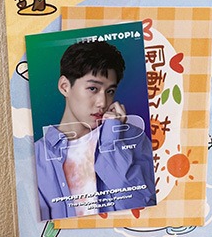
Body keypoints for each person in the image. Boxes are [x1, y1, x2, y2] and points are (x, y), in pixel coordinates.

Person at [34, 40, 156, 220]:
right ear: (64, 86)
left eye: (110, 91)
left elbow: (144, 211)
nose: (102, 102)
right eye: (93, 88)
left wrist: (111, 143)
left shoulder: (132, 138)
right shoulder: (37, 156)